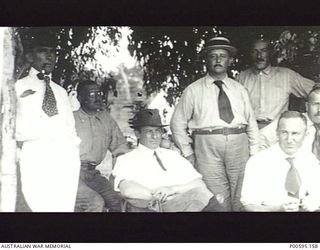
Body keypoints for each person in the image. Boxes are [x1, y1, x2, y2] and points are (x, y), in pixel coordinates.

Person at [170, 37, 259, 211]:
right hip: (207, 146)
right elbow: (177, 123)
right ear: (206, 59)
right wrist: (188, 152)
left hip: (238, 143)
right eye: (213, 56)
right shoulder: (193, 90)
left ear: (230, 60)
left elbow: (251, 122)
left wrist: (255, 152)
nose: (218, 60)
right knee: (218, 199)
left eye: (222, 56)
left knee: (243, 195)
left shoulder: (239, 89)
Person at [15, 28, 81, 212]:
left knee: (63, 207)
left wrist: (72, 155)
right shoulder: (17, 87)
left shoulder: (60, 91)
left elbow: (70, 128)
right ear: (29, 56)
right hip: (35, 154)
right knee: (38, 205)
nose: (50, 56)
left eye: (52, 52)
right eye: (43, 51)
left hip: (64, 157)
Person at [112, 109, 221, 212]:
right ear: (137, 133)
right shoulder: (127, 159)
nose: (155, 136)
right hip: (155, 206)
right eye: (149, 131)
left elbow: (199, 184)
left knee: (203, 195)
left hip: (184, 202)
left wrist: (172, 189)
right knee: (202, 197)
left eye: (158, 131)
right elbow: (127, 190)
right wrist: (160, 196)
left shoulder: (172, 156)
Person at [237, 38, 315, 146]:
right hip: (250, 133)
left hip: (277, 133)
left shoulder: (286, 75)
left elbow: (315, 91)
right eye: (254, 51)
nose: (259, 56)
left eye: (263, 51)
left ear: (270, 53)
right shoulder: (242, 77)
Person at [241, 111, 320, 212]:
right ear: (276, 133)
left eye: (295, 133)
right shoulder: (258, 162)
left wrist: (315, 201)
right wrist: (278, 209)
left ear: (306, 135)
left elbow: (317, 193)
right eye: (284, 132)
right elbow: (248, 206)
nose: (289, 139)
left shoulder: (310, 160)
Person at [73, 80, 129, 212]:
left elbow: (120, 148)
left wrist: (117, 176)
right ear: (80, 98)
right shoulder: (71, 119)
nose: (98, 98)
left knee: (117, 201)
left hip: (93, 174)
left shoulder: (106, 120)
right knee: (95, 202)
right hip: (72, 173)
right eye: (92, 94)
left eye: (99, 93)